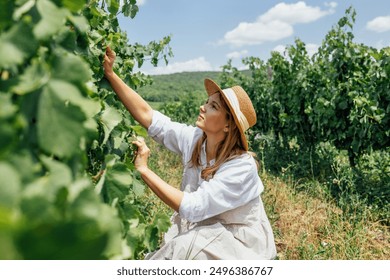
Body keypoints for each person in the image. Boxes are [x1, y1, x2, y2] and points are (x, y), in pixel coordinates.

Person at [103, 46, 277, 260]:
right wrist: (110, 74)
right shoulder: (196, 140)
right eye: (207, 102)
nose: (203, 107)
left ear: (228, 126)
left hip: (238, 245)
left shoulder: (241, 167)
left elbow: (194, 208)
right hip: (206, 231)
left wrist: (144, 170)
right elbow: (151, 118)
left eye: (213, 106)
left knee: (179, 250)